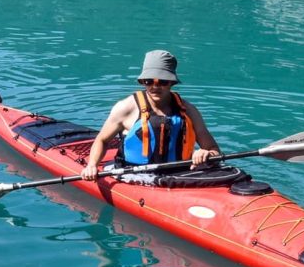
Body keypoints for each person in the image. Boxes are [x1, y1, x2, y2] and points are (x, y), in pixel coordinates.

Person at [81, 50, 221, 181]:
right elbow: (102, 140)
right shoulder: (126, 108)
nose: (155, 87)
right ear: (142, 81)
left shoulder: (189, 111)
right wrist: (92, 165)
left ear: (172, 83)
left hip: (180, 174)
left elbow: (214, 150)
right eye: (148, 81)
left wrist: (207, 154)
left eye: (162, 81)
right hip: (133, 175)